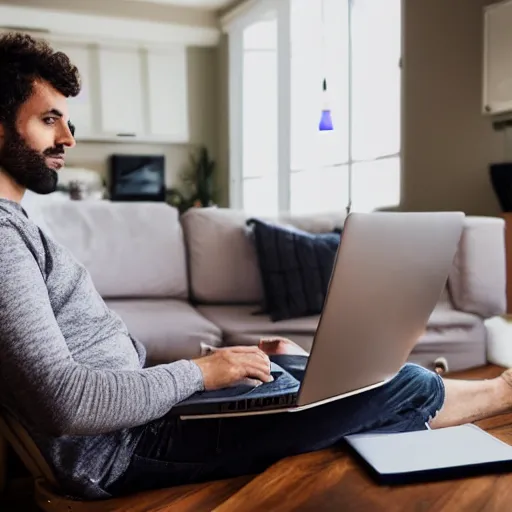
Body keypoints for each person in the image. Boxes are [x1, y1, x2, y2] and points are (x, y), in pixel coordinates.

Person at [1, 32, 512, 501]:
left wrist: (215, 370)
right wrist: (202, 372)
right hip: (129, 449)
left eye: (68, 121)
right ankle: (502, 392)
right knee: (400, 385)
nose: (68, 137)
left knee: (297, 370)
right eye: (49, 119)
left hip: (146, 419)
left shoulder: (16, 224)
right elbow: (67, 404)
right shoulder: (3, 238)